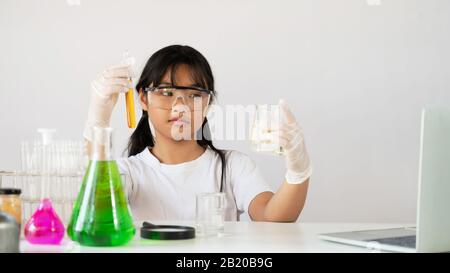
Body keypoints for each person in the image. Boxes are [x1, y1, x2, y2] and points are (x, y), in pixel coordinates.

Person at [83, 45, 312, 222]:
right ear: (143, 98)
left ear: (208, 102)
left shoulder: (232, 166)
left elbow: (272, 217)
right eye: (166, 92)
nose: (180, 105)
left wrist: (298, 171)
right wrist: (97, 120)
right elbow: (92, 204)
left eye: (193, 95)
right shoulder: (129, 172)